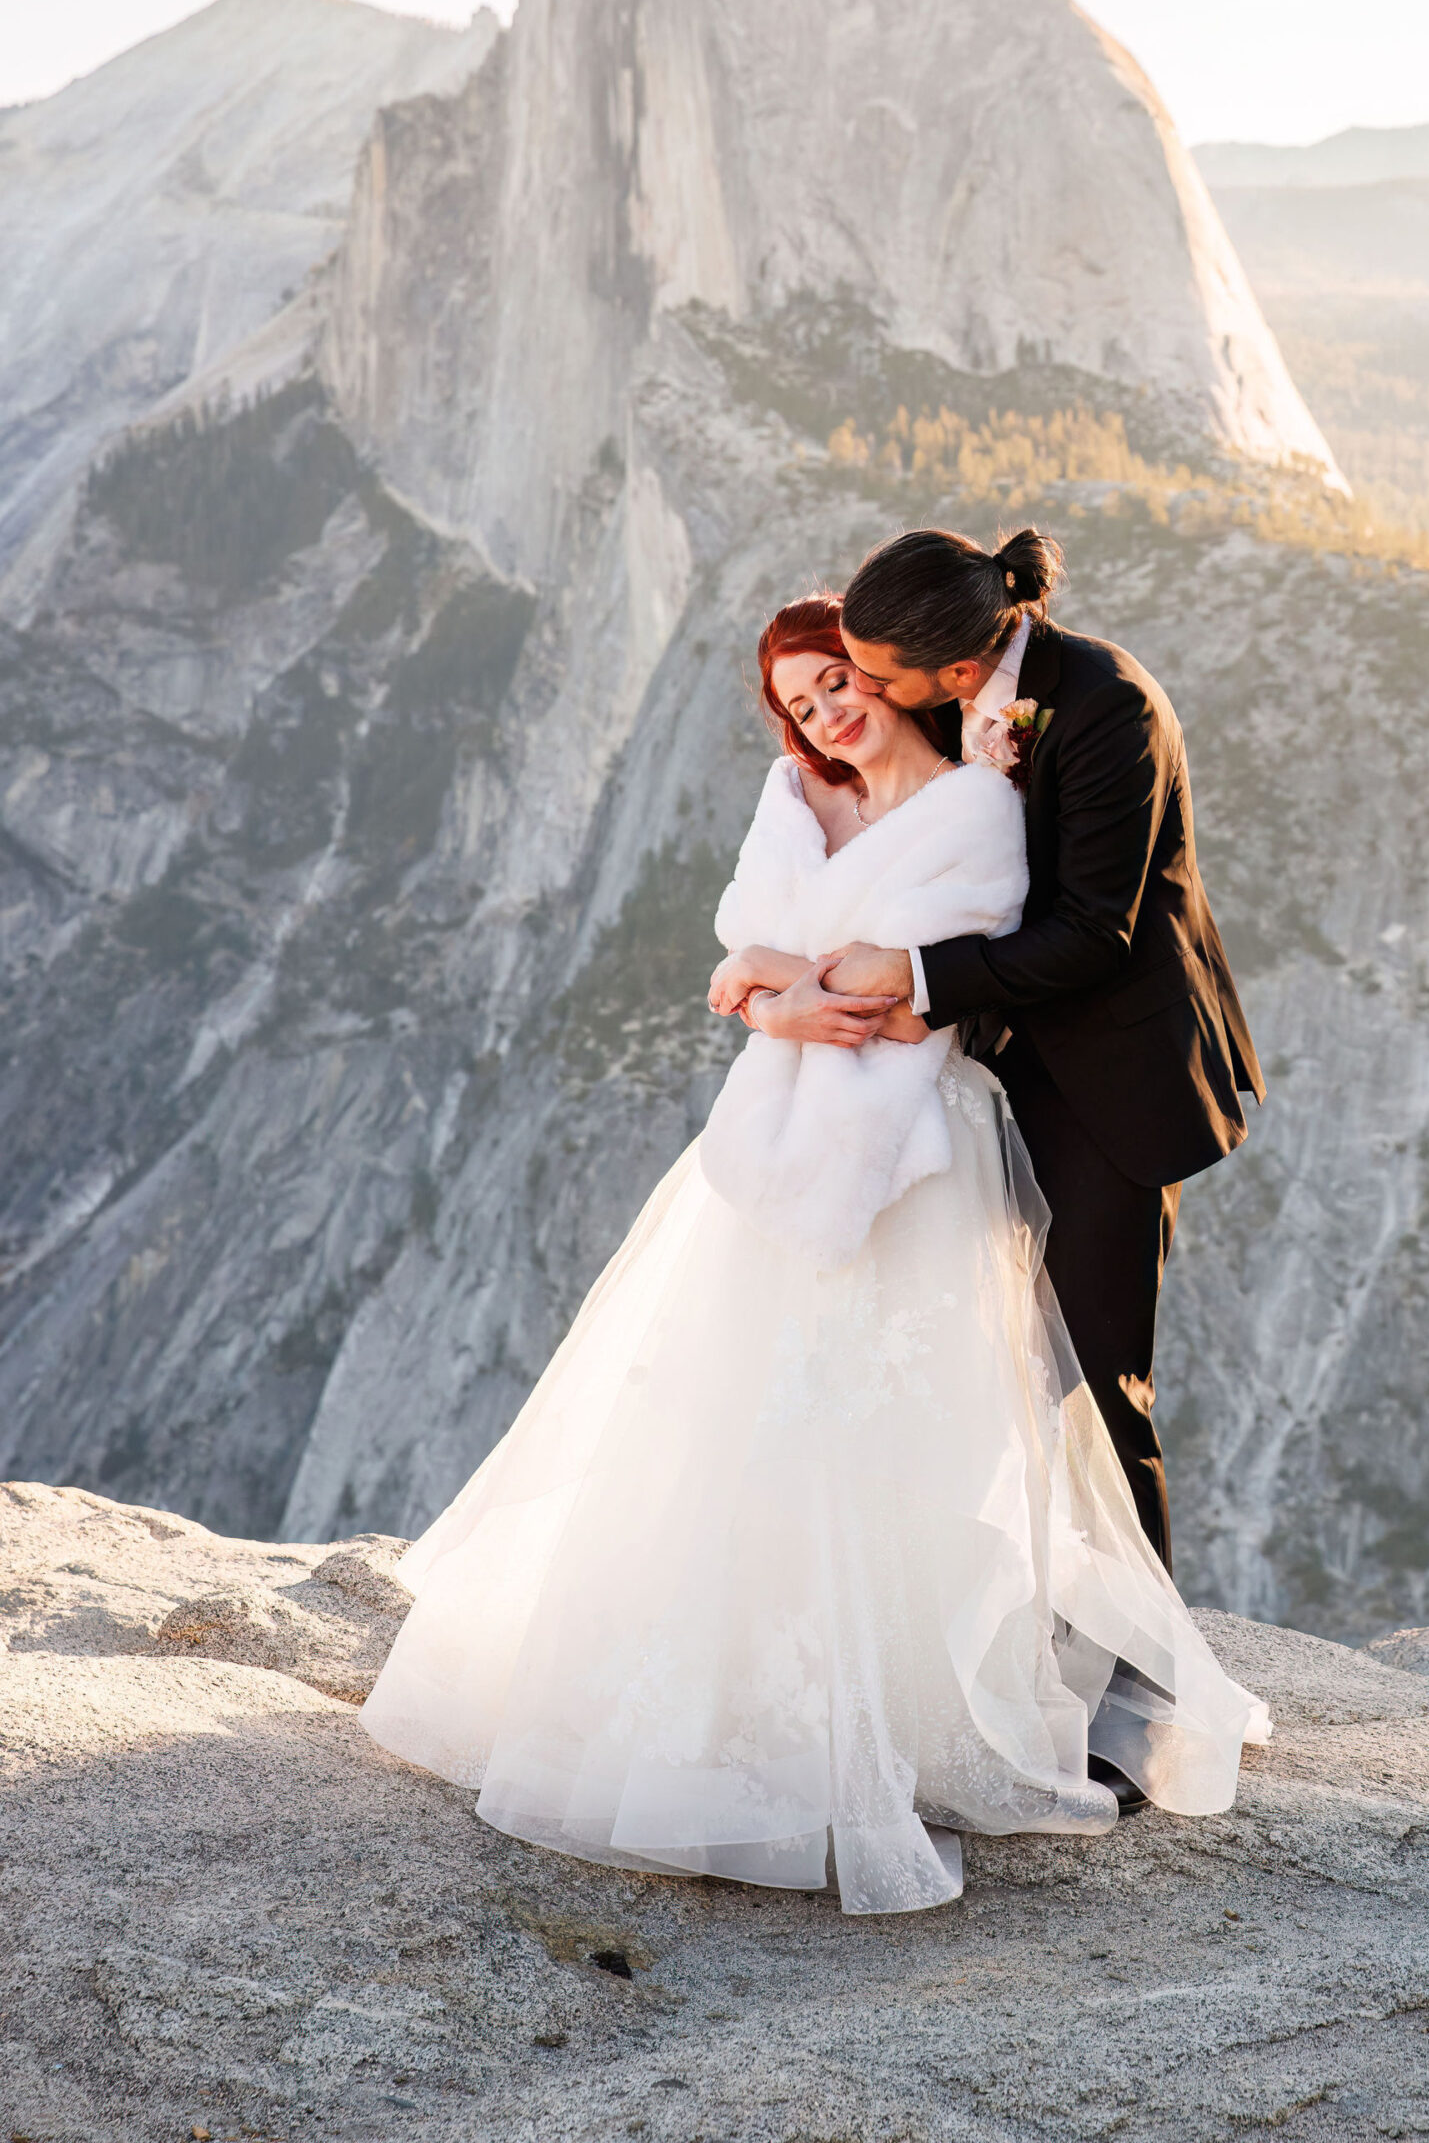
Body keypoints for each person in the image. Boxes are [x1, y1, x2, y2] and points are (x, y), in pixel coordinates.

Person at [360, 595, 1267, 1916]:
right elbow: (743, 950)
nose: (823, 711)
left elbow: (942, 984)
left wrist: (814, 986)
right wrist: (784, 987)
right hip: (781, 1143)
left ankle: (972, 1699)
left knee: (936, 1421)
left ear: (894, 675)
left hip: (918, 1142)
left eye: (837, 681)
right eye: (796, 699)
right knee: (739, 1412)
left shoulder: (975, 797)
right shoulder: (794, 795)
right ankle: (732, 1697)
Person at [835, 527, 1265, 1575]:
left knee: (1093, 1386)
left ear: (962, 670)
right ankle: (1020, 1636)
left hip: (1113, 1084)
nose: (869, 694)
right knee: (985, 1368)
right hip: (992, 1075)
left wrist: (915, 975)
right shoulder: (944, 698)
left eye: (881, 676)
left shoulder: (1112, 709)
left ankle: (1139, 1689)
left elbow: (1094, 933)